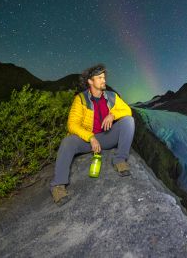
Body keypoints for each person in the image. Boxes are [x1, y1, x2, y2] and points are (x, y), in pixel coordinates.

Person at [50, 64, 135, 205]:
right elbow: (72, 125)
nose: (104, 80)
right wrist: (90, 137)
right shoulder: (80, 99)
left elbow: (127, 110)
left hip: (106, 137)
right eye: (100, 78)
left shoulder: (112, 96)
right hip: (87, 140)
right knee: (68, 142)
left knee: (128, 121)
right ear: (90, 81)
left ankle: (120, 160)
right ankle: (58, 186)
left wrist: (113, 115)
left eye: (104, 77)